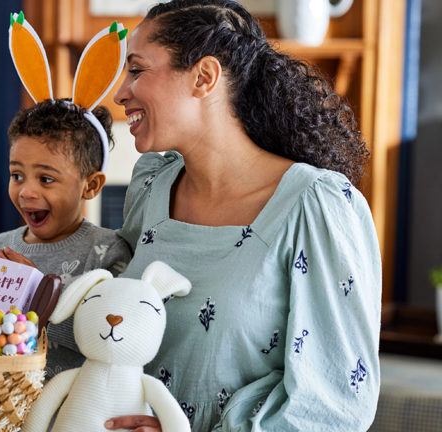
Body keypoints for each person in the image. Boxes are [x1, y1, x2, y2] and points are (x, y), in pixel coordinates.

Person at [104, 1, 381, 431]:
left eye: (137, 70)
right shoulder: (150, 185)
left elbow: (335, 405)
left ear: (204, 77)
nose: (121, 92)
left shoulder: (314, 205)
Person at [0, 99, 131, 378]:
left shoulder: (107, 254)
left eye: (46, 179)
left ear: (90, 185)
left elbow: (114, 343)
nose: (26, 192)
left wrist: (39, 296)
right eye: (17, 175)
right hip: (1, 412)